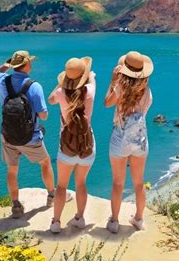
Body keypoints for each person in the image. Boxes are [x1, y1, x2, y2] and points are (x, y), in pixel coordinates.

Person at [0, 50, 55, 219]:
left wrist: (8, 64)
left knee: (12, 170)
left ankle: (16, 206)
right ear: (27, 64)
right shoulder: (34, 85)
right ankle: (51, 196)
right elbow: (43, 115)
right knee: (45, 162)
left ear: (14, 65)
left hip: (8, 135)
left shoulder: (3, 81)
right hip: (30, 137)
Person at [104, 51, 153, 233]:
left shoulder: (120, 88)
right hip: (139, 139)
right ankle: (139, 219)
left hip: (120, 138)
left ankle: (114, 221)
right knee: (139, 182)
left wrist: (113, 80)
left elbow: (107, 103)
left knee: (118, 182)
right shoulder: (147, 91)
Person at [48, 57, 96, 234]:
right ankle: (79, 218)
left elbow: (50, 99)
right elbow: (92, 78)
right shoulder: (90, 90)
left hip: (66, 146)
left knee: (61, 186)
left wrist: (61, 83)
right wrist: (88, 74)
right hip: (86, 145)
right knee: (81, 183)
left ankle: (56, 222)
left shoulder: (61, 93)